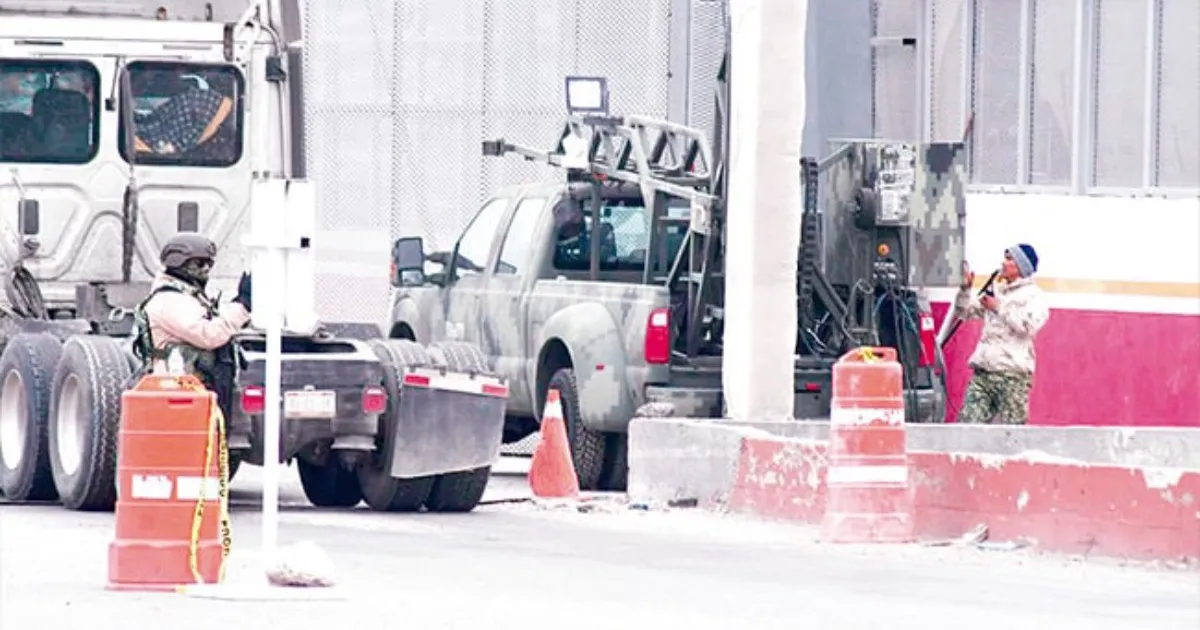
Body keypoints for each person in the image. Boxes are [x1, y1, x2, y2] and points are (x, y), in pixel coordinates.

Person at [132, 233, 252, 420]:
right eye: (199, 263)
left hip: (192, 389)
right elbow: (209, 334)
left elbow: (214, 320)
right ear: (178, 263)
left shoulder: (188, 296)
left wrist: (238, 305)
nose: (205, 270)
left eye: (209, 264)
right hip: (177, 392)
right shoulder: (168, 299)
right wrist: (243, 306)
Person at [954, 243, 1050, 425]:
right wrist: (965, 290)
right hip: (983, 374)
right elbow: (964, 312)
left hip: (1012, 376)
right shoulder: (996, 291)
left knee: (1012, 433)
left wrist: (998, 307)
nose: (1003, 263)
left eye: (1009, 259)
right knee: (966, 427)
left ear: (1021, 266)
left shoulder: (1034, 296)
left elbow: (1028, 325)